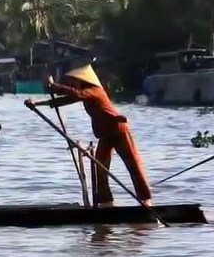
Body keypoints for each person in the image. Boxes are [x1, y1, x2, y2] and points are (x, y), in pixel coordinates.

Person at [26, 64, 152, 207]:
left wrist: (53, 86)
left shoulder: (95, 91)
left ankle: (145, 199)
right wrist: (37, 104)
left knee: (132, 163)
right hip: (105, 134)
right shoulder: (84, 93)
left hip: (118, 129)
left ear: (84, 80)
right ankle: (106, 202)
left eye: (75, 81)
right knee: (101, 168)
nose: (73, 84)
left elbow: (76, 94)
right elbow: (64, 100)